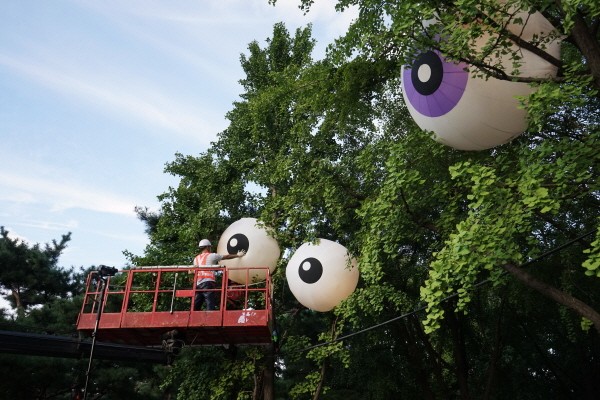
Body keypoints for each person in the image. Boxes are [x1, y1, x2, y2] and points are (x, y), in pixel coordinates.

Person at [193, 239, 245, 311]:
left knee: (197, 302)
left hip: (198, 283)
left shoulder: (196, 259)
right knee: (210, 302)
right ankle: (210, 317)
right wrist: (237, 255)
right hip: (208, 282)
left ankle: (193, 317)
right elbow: (226, 256)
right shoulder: (211, 256)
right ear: (208, 247)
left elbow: (193, 270)